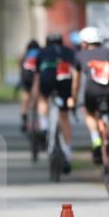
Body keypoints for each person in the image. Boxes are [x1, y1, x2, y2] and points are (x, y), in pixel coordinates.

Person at [73, 26, 109, 182]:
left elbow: (76, 83)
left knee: (89, 113)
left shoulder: (80, 56)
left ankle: (95, 137)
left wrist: (74, 98)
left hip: (92, 93)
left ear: (84, 43)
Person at [31, 32, 76, 173]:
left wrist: (35, 96)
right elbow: (75, 72)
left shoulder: (42, 52)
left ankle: (44, 127)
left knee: (43, 99)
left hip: (47, 77)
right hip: (65, 79)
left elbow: (37, 77)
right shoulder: (68, 51)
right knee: (64, 117)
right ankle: (67, 154)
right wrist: (73, 96)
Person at [18, 39, 41, 133]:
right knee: (39, 98)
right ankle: (38, 120)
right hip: (36, 76)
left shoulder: (26, 54)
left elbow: (20, 63)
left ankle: (24, 116)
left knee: (25, 96)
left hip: (26, 76)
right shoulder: (40, 53)